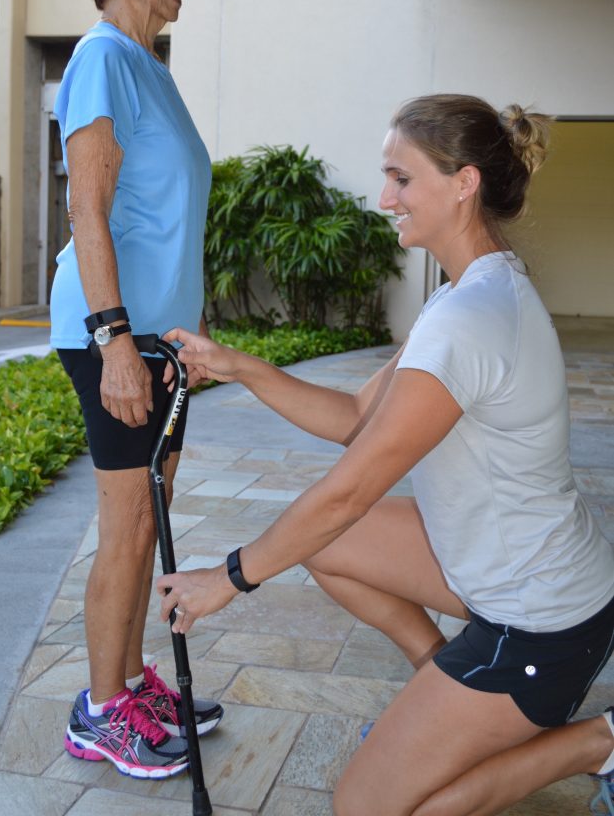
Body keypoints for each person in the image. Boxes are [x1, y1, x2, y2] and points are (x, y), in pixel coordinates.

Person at [156, 93, 614, 815]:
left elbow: (351, 489)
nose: (383, 197)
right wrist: (238, 365)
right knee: (328, 545)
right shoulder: (466, 294)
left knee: (367, 807)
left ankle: (597, 743)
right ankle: (446, 689)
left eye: (400, 177)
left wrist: (230, 578)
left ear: (462, 183)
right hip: (517, 571)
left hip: (540, 621)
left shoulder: (470, 319)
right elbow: (353, 420)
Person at [49, 0, 223, 780]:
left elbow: (165, 220)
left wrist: (186, 336)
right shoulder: (101, 59)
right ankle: (101, 710)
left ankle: (129, 679)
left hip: (159, 344)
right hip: (115, 341)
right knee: (125, 528)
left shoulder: (152, 68)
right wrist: (116, 339)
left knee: (148, 521)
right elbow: (89, 209)